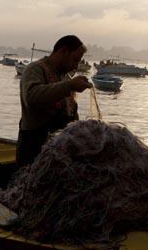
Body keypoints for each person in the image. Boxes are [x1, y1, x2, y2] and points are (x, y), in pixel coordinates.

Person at [16, 35, 92, 167]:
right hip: (34, 149)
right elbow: (32, 97)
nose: (76, 66)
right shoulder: (35, 69)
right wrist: (70, 86)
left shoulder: (65, 76)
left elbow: (71, 111)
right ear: (63, 52)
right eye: (75, 60)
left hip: (58, 152)